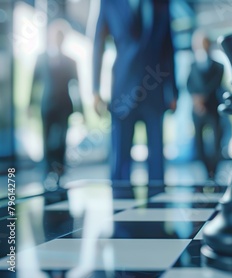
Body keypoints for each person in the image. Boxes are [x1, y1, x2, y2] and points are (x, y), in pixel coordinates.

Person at [92, 0, 178, 185]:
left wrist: (173, 91)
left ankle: (158, 208)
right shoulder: (109, 3)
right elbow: (98, 43)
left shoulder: (162, 3)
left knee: (157, 160)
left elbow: (169, 48)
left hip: (155, 88)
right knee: (120, 161)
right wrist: (95, 90)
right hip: (123, 88)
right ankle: (118, 205)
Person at [31, 19, 80, 186]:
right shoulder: (41, 58)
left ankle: (59, 170)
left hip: (64, 105)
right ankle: (47, 172)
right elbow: (34, 83)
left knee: (61, 139)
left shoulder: (71, 61)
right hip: (46, 105)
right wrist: (30, 104)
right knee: (46, 140)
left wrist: (82, 110)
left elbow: (76, 86)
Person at [186, 31, 224, 179]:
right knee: (199, 143)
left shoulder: (219, 67)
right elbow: (188, 84)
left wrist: (202, 98)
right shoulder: (192, 65)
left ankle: (213, 170)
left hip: (213, 108)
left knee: (216, 142)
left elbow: (215, 84)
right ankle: (206, 171)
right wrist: (196, 100)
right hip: (197, 110)